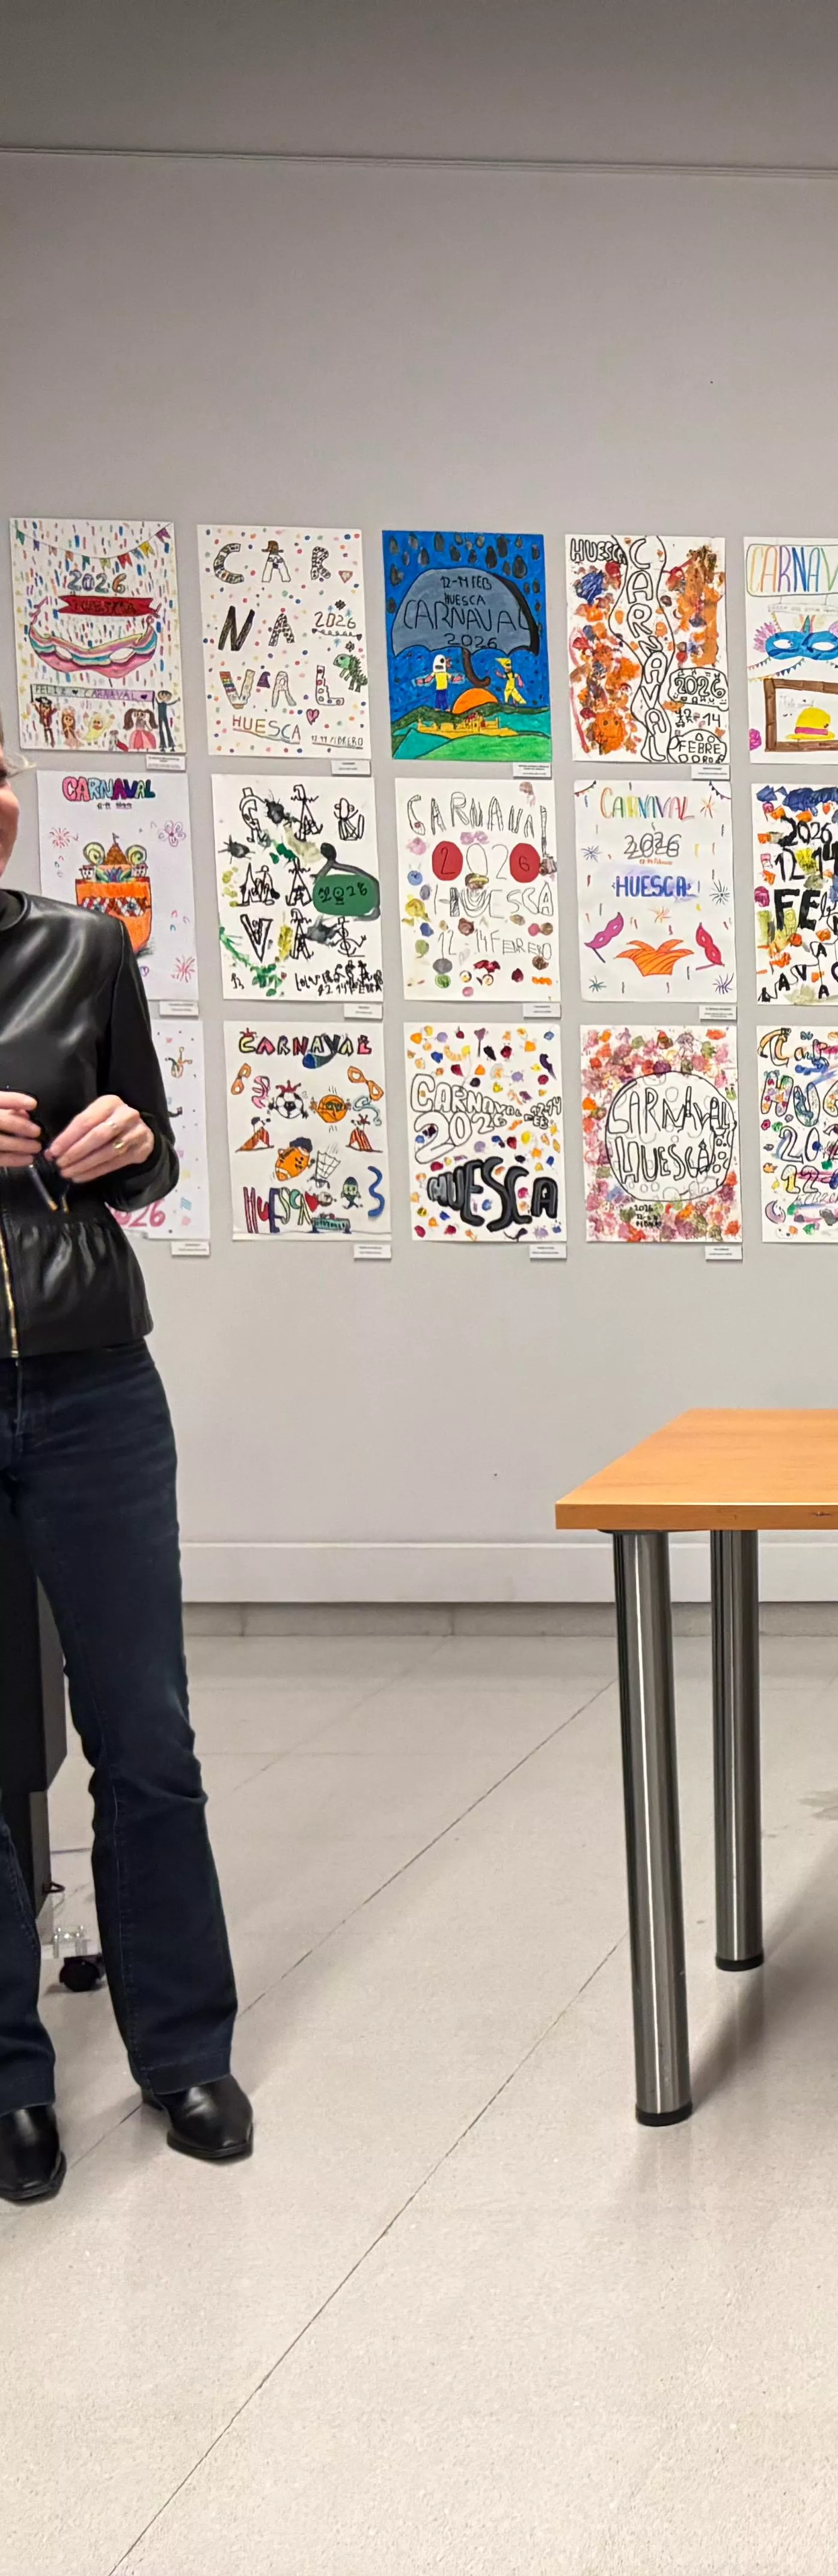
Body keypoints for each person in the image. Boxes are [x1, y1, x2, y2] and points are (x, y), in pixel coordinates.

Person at [0, 746, 251, 2206]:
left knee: (144, 1731)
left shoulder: (80, 950)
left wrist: (134, 1147)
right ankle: (11, 2077)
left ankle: (182, 2051)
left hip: (94, 1382)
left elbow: (145, 1169)